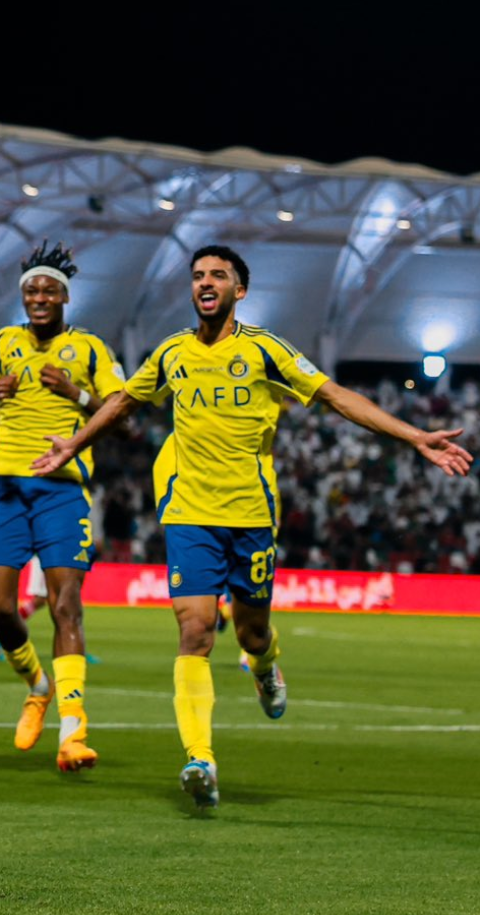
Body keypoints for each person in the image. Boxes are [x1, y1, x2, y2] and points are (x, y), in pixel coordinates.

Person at [35, 245, 472, 809]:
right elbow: (124, 403)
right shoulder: (172, 352)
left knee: (251, 633)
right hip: (190, 513)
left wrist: (414, 437)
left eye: (218, 275)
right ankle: (200, 759)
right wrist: (74, 441)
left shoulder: (266, 350)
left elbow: (336, 397)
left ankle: (265, 666)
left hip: (250, 516)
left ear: (239, 290)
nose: (205, 282)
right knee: (194, 631)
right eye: (197, 276)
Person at [0, 242, 124, 774]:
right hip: (3, 486)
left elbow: (120, 413)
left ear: (65, 298)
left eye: (49, 289)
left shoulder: (92, 351)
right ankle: (38, 685)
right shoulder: (1, 346)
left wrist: (78, 396)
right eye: (32, 289)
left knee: (65, 606)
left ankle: (73, 732)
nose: (39, 296)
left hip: (63, 487)